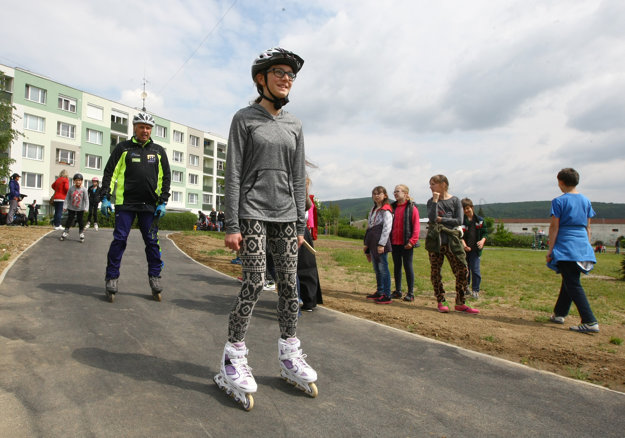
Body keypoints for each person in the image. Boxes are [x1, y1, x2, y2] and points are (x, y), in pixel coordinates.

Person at [214, 47, 317, 410]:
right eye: (279, 72)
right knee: (256, 281)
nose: (286, 78)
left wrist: (301, 223)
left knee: (290, 286)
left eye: (291, 74)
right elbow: (234, 173)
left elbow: (297, 177)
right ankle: (233, 356)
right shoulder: (244, 119)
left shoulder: (294, 125)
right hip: (253, 212)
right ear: (262, 78)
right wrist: (231, 223)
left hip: (287, 216)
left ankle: (290, 353)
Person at [99, 111, 171, 303]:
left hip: (150, 206)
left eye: (148, 128)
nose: (145, 131)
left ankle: (155, 277)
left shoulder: (158, 151)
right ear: (134, 128)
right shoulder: (122, 148)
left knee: (152, 242)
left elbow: (166, 178)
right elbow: (110, 173)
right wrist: (105, 197)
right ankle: (112, 278)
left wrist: (163, 201)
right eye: (141, 127)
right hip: (125, 204)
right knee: (119, 240)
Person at [546, 168, 599, 333]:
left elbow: (555, 227)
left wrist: (550, 250)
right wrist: (586, 246)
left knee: (573, 283)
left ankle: (590, 321)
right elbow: (588, 227)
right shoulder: (586, 201)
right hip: (582, 245)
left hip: (566, 246)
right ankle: (559, 314)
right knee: (569, 280)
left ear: (561, 182)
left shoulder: (559, 201)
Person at [425, 175, 479, 314]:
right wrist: (436, 201)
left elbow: (459, 220)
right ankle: (441, 300)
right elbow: (432, 219)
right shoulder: (431, 201)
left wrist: (442, 219)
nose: (430, 187)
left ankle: (460, 302)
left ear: (443, 184)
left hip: (452, 241)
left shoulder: (455, 201)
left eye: (433, 184)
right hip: (436, 241)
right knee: (436, 272)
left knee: (462, 270)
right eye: (430, 184)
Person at [390, 184, 420, 302]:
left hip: (407, 244)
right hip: (394, 243)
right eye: (394, 191)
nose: (395, 193)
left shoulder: (412, 208)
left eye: (398, 191)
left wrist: (412, 242)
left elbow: (416, 227)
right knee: (397, 267)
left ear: (406, 194)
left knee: (408, 267)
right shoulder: (392, 208)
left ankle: (410, 293)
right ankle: (398, 291)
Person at [364, 186, 393, 304]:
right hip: (372, 240)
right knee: (377, 268)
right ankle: (380, 291)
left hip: (381, 241)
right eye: (374, 194)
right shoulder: (374, 209)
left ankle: (387, 294)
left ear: (385, 195)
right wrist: (366, 243)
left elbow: (387, 227)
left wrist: (382, 244)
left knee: (383, 268)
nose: (376, 196)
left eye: (379, 193)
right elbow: (369, 225)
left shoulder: (386, 209)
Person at [298, 177, 323, 311]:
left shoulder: (303, 196)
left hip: (300, 230)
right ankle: (305, 299)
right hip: (298, 229)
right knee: (300, 266)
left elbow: (304, 212)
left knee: (305, 266)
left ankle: (309, 300)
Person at [461, 198, 487, 299]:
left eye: (468, 208)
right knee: (465, 270)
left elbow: (485, 233)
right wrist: (464, 246)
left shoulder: (480, 220)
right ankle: (466, 287)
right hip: (465, 250)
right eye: (464, 209)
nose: (466, 211)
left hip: (476, 250)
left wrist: (482, 241)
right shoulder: (462, 221)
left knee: (475, 270)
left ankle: (475, 290)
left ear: (472, 207)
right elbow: (460, 235)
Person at [60, 174, 89, 242]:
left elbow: (86, 200)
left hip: (80, 208)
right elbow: (67, 198)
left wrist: (86, 208)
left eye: (79, 180)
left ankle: (81, 232)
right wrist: (65, 206)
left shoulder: (84, 189)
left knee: (80, 221)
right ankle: (66, 231)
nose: (78, 182)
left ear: (81, 181)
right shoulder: (71, 188)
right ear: (74, 181)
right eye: (76, 180)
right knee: (69, 220)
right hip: (71, 207)